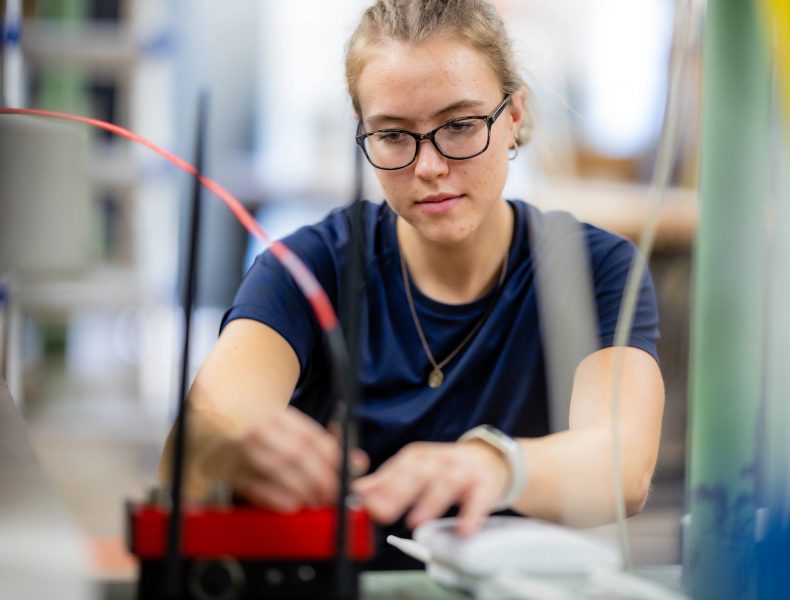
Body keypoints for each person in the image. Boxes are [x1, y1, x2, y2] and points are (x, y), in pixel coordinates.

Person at [160, 0, 664, 570]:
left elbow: (623, 469)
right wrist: (227, 452)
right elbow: (193, 445)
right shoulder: (308, 267)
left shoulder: (592, 269)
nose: (428, 166)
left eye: (460, 125)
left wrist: (496, 465)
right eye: (394, 135)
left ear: (515, 115)